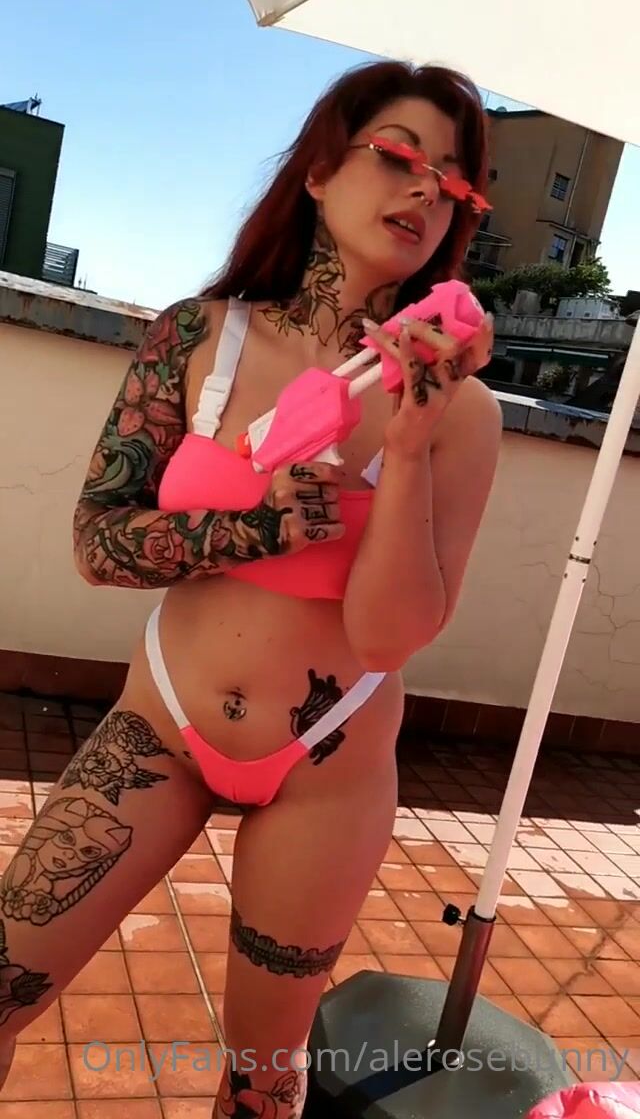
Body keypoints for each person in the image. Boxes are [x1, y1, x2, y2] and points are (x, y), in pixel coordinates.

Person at [0, 59, 502, 1114]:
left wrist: (409, 448)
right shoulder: (198, 336)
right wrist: (257, 525)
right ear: (318, 171)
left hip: (329, 766)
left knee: (265, 1081)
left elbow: (390, 635)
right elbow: (99, 540)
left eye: (453, 180)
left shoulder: (459, 410)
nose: (425, 189)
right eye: (398, 155)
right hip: (162, 728)